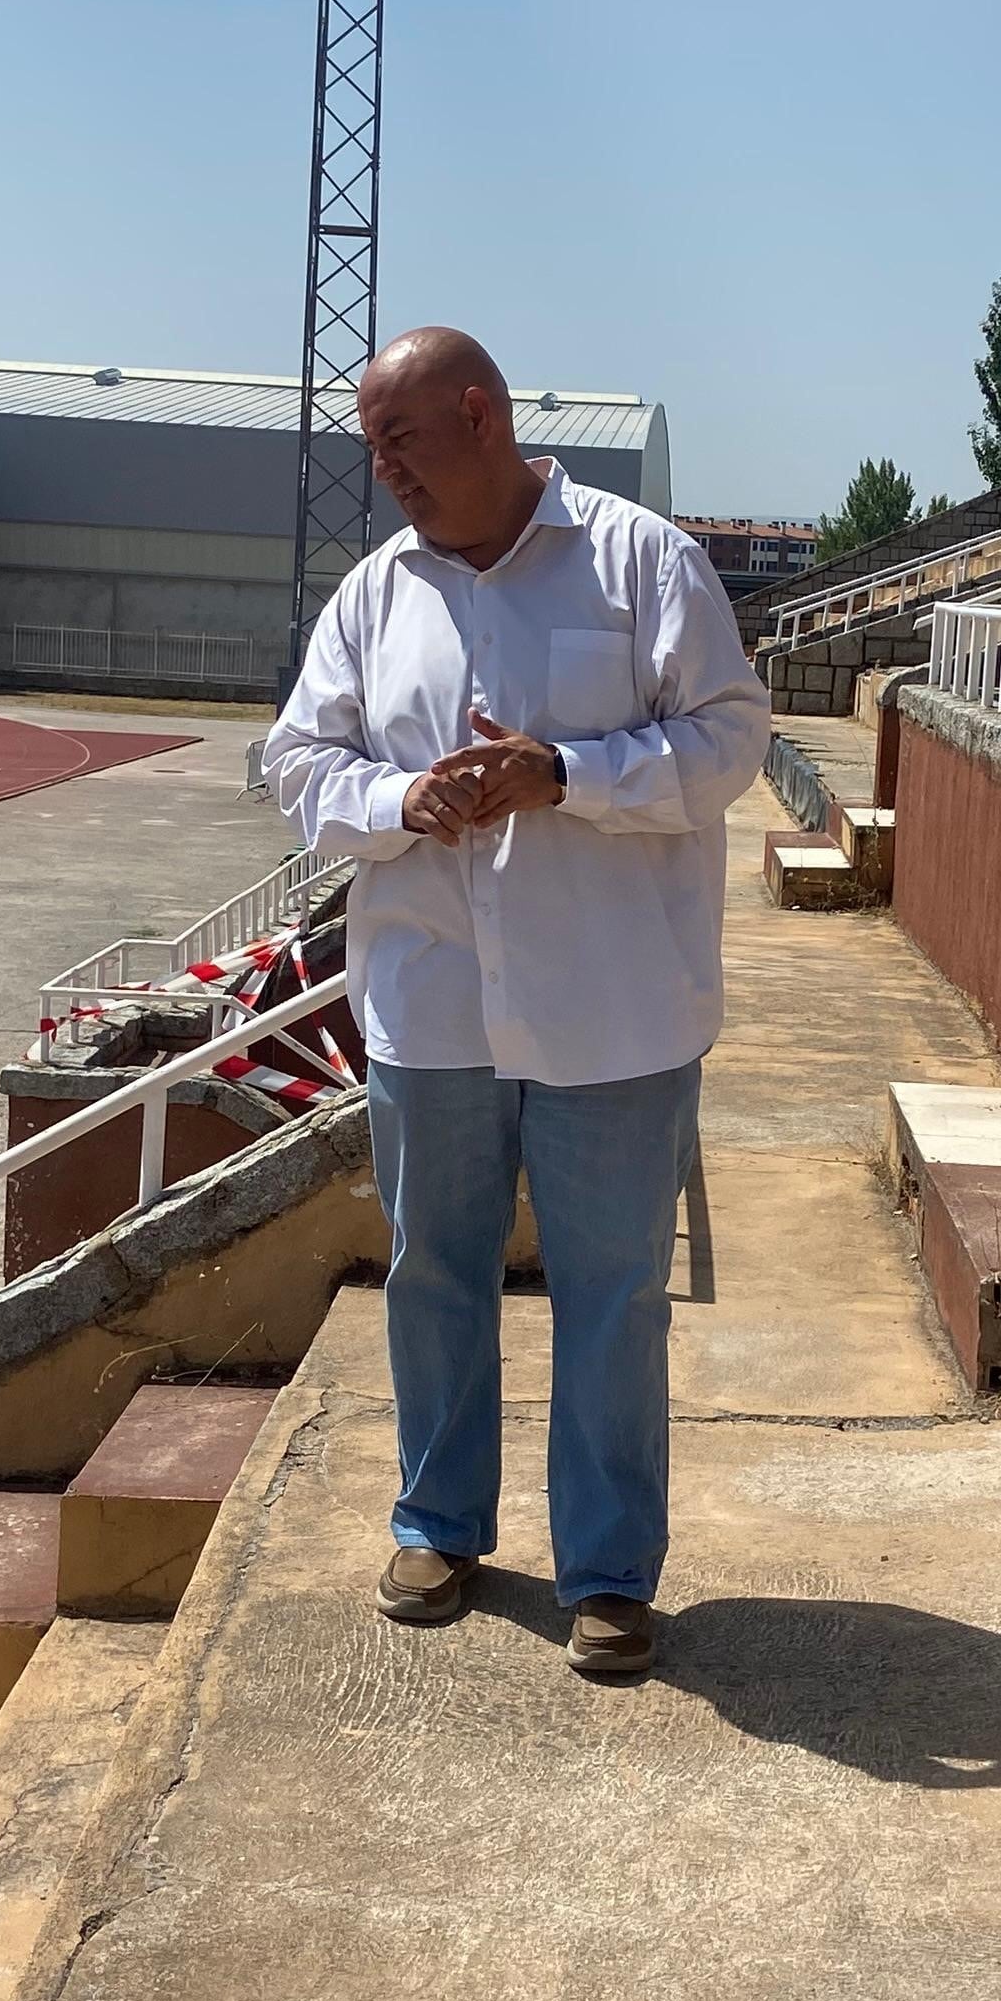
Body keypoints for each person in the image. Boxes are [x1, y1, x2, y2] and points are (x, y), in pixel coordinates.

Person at [261, 327, 772, 1677]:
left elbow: (729, 742)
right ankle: (439, 1524)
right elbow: (299, 759)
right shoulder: (378, 596)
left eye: (400, 441)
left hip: (615, 1011)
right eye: (372, 448)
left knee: (615, 1296)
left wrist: (569, 774)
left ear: (479, 413)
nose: (383, 475)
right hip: (433, 1008)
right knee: (434, 1271)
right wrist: (395, 798)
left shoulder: (639, 561)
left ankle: (608, 1573)